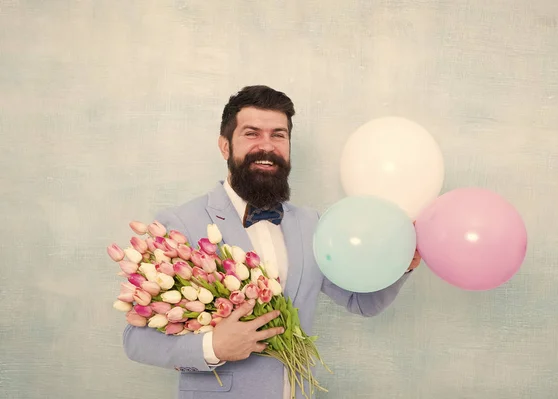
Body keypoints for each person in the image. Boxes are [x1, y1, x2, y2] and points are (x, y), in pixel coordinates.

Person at [122, 85, 421, 399]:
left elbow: (362, 302)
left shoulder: (311, 223)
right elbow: (136, 340)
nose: (267, 146)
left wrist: (401, 265)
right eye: (252, 133)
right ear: (225, 146)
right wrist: (212, 346)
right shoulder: (180, 224)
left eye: (278, 135)